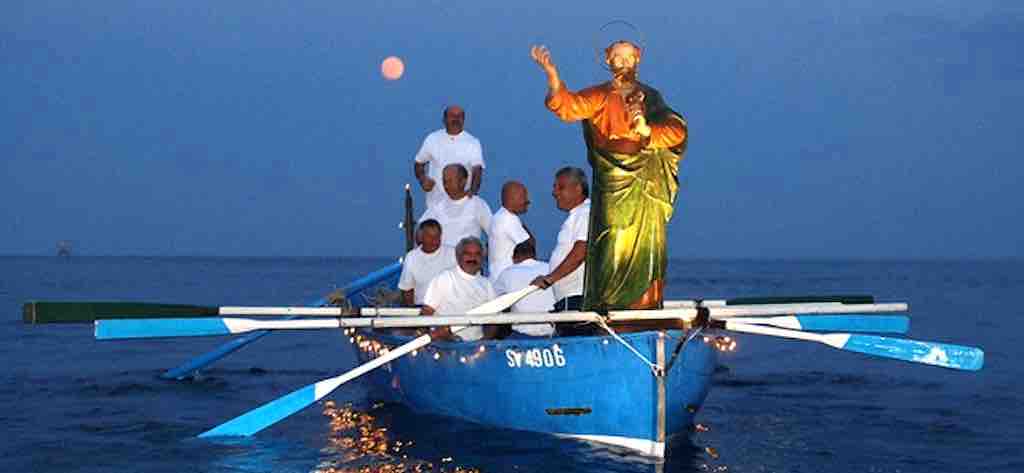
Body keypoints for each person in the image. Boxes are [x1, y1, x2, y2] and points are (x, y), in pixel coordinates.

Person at [530, 41, 688, 310]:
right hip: (613, 179)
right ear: (608, 60)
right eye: (618, 57)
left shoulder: (651, 97)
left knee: (647, 246)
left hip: (646, 182)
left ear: (638, 60)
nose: (624, 62)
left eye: (629, 57)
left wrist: (647, 130)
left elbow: (676, 129)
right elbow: (567, 106)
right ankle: (610, 304)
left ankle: (643, 305)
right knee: (612, 240)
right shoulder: (600, 95)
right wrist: (553, 76)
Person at [530, 167, 590, 313]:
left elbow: (581, 251)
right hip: (569, 299)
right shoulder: (577, 214)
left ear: (577, 189)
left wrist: (550, 279)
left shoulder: (585, 212)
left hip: (576, 299)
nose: (554, 192)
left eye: (560, 187)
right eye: (554, 187)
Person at [421, 237, 498, 341]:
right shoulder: (445, 278)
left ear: (483, 258)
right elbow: (426, 314)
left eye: (477, 254)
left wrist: (484, 341)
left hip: (476, 347)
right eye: (468, 254)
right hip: (446, 346)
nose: (473, 258)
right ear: (458, 257)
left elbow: (494, 320)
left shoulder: (487, 285)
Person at [414, 105, 486, 211]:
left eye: (460, 116)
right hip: (435, 205)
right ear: (444, 119)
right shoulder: (432, 139)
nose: (456, 119)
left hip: (462, 206)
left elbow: (477, 172)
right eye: (452, 116)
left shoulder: (473, 143)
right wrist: (422, 179)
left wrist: (472, 192)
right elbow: (418, 163)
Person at [419, 164, 492, 249]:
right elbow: (420, 231)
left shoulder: (477, 204)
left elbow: (493, 232)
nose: (446, 185)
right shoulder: (437, 206)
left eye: (450, 181)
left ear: (463, 181)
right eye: (444, 181)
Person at [494, 239, 555, 337]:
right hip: (552, 333)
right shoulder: (550, 269)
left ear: (513, 258)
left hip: (522, 335)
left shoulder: (507, 273)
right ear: (535, 256)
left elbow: (495, 301)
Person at [397, 219, 455, 307]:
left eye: (437, 236)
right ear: (421, 237)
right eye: (429, 236)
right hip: (422, 308)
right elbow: (407, 288)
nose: (434, 241)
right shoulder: (412, 257)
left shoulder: (453, 253)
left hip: (449, 308)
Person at [487, 180, 532, 282]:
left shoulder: (500, 216)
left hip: (499, 277)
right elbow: (529, 246)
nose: (528, 201)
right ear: (511, 199)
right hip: (507, 279)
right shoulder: (509, 219)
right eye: (523, 197)